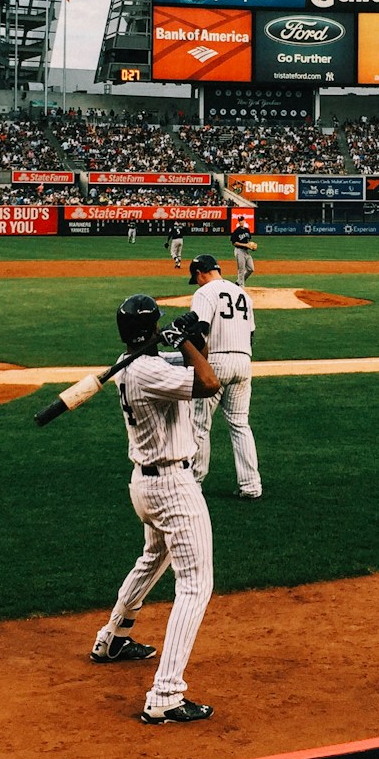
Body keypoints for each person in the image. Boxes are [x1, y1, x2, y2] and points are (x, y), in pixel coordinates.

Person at [91, 293, 221, 725]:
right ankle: (165, 694)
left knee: (153, 558)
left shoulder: (130, 364)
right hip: (172, 488)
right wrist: (186, 342)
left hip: (144, 485)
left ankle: (113, 636)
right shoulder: (147, 371)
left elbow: (186, 361)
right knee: (195, 585)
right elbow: (208, 382)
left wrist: (191, 338)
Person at [187, 254, 262, 499]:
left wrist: (197, 364)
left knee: (199, 424)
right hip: (244, 361)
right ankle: (251, 486)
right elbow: (251, 334)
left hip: (216, 361)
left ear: (200, 273)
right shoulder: (242, 294)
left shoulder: (204, 293)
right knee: (240, 425)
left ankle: (194, 484)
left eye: (195, 277)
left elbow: (201, 334)